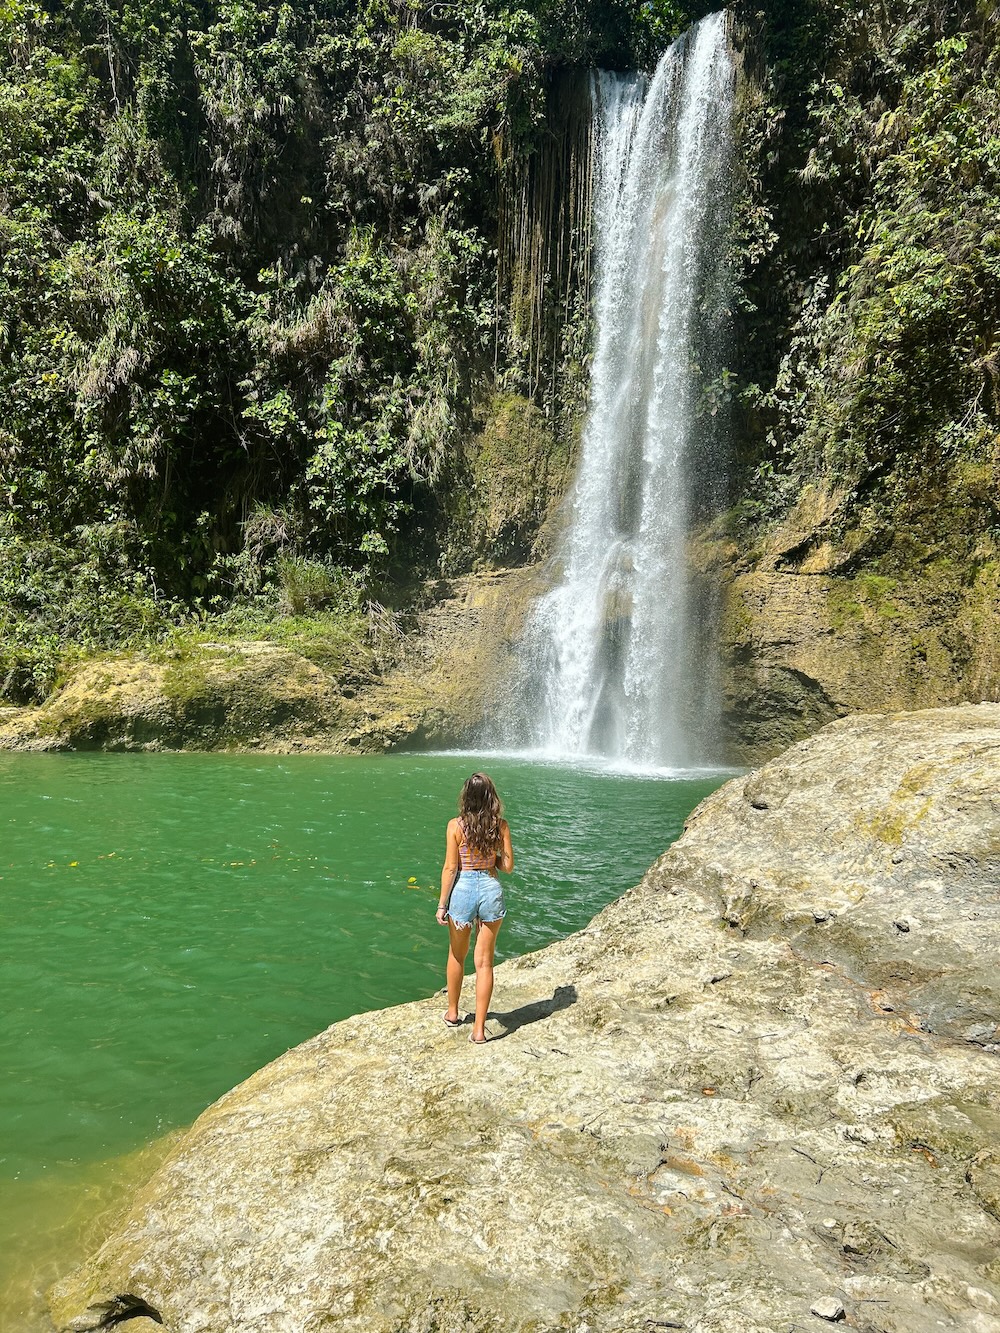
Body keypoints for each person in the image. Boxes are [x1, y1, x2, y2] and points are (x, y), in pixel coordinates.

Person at [436, 772, 514, 1044]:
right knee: (484, 963)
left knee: (457, 956)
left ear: (466, 796)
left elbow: (450, 868)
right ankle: (479, 1031)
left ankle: (453, 1012)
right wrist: (491, 857)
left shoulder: (455, 826)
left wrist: (442, 904)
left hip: (464, 890)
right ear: (491, 797)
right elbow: (507, 867)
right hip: (491, 888)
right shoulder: (500, 826)